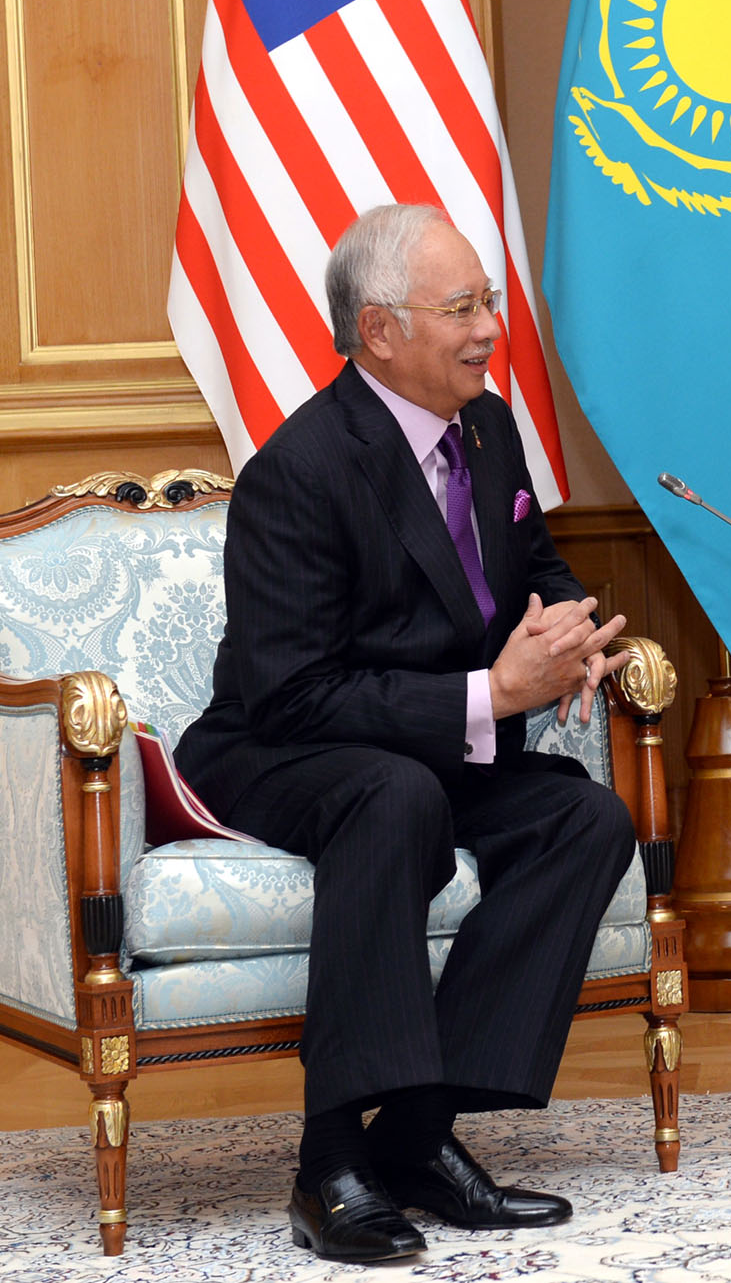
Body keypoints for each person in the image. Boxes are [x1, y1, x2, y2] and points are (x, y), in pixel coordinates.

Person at [176, 205, 637, 1264]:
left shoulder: (488, 427)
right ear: (378, 331)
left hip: (422, 744)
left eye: (489, 302)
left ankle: (418, 1137)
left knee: (584, 818)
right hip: (278, 746)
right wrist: (491, 695)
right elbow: (292, 694)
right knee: (394, 797)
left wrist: (573, 637)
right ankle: (330, 1163)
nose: (489, 328)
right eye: (462, 307)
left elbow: (537, 567)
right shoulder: (300, 469)